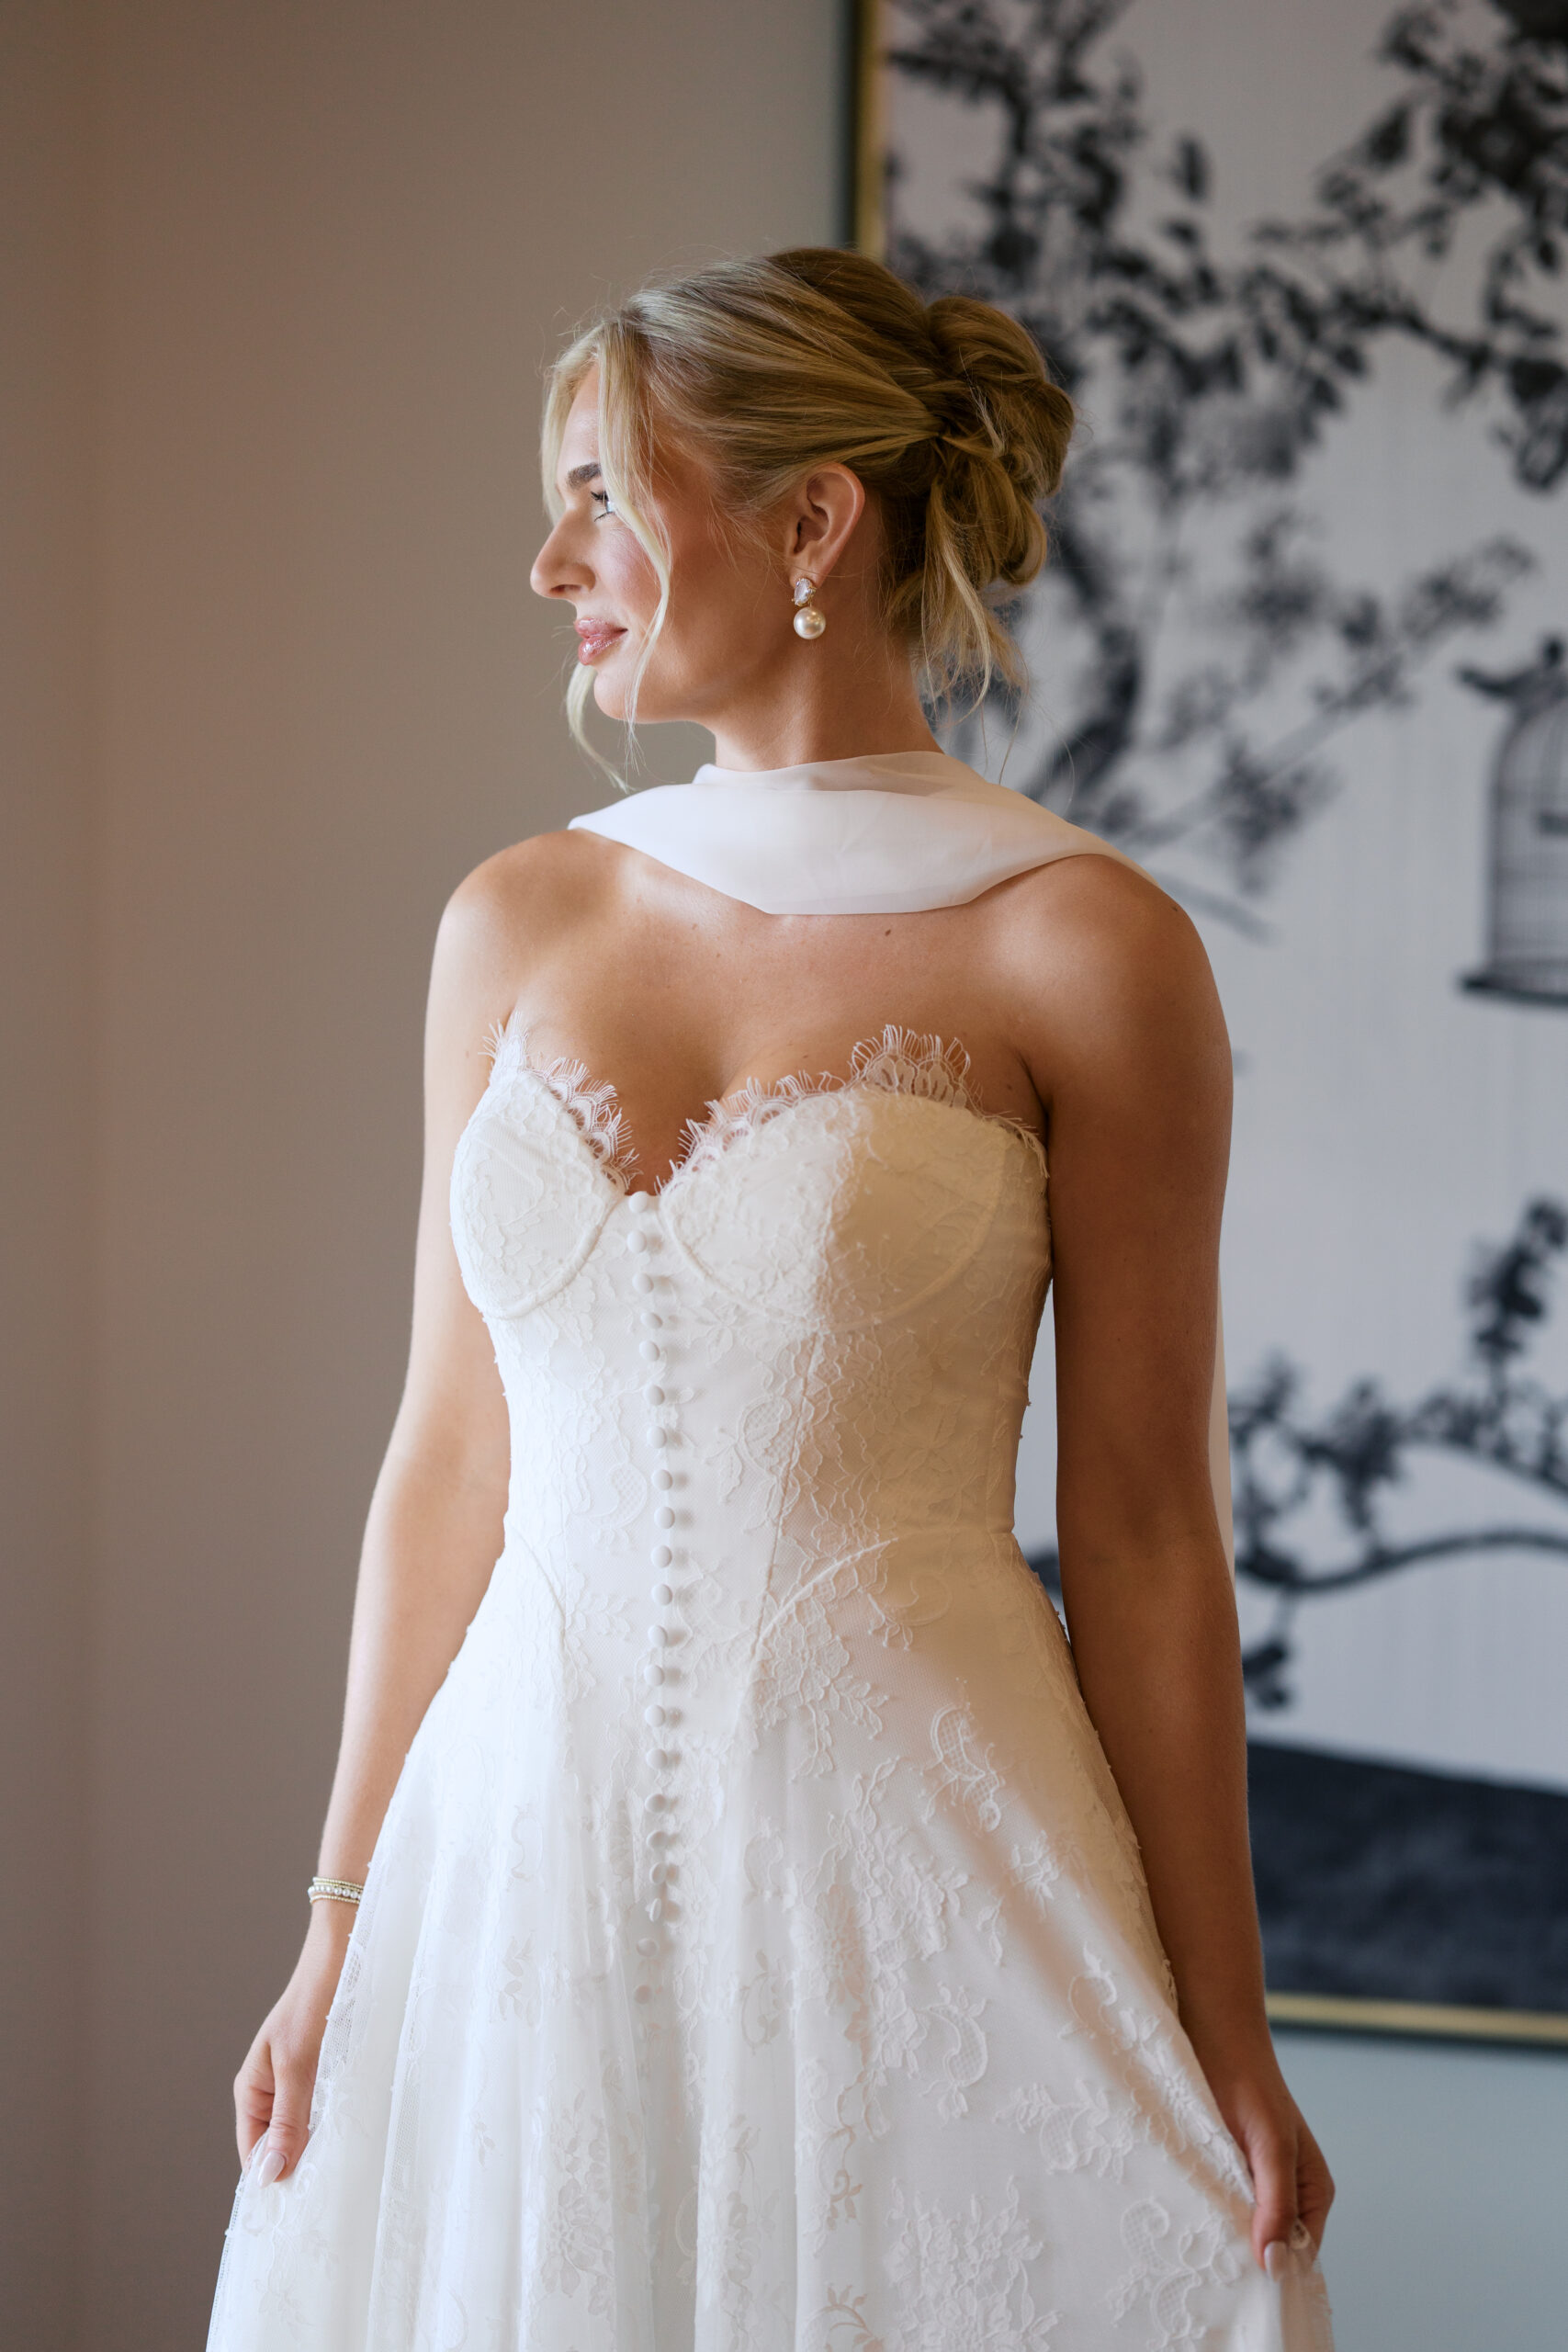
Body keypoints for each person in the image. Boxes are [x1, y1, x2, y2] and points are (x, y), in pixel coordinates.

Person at [207, 248, 1335, 2350]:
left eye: (605, 498)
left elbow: (1150, 1533)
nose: (552, 561)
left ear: (811, 522)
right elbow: (448, 1455)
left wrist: (1227, 2025)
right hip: (506, 1871)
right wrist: (334, 1920)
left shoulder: (1080, 949)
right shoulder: (513, 918)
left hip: (904, 1867)